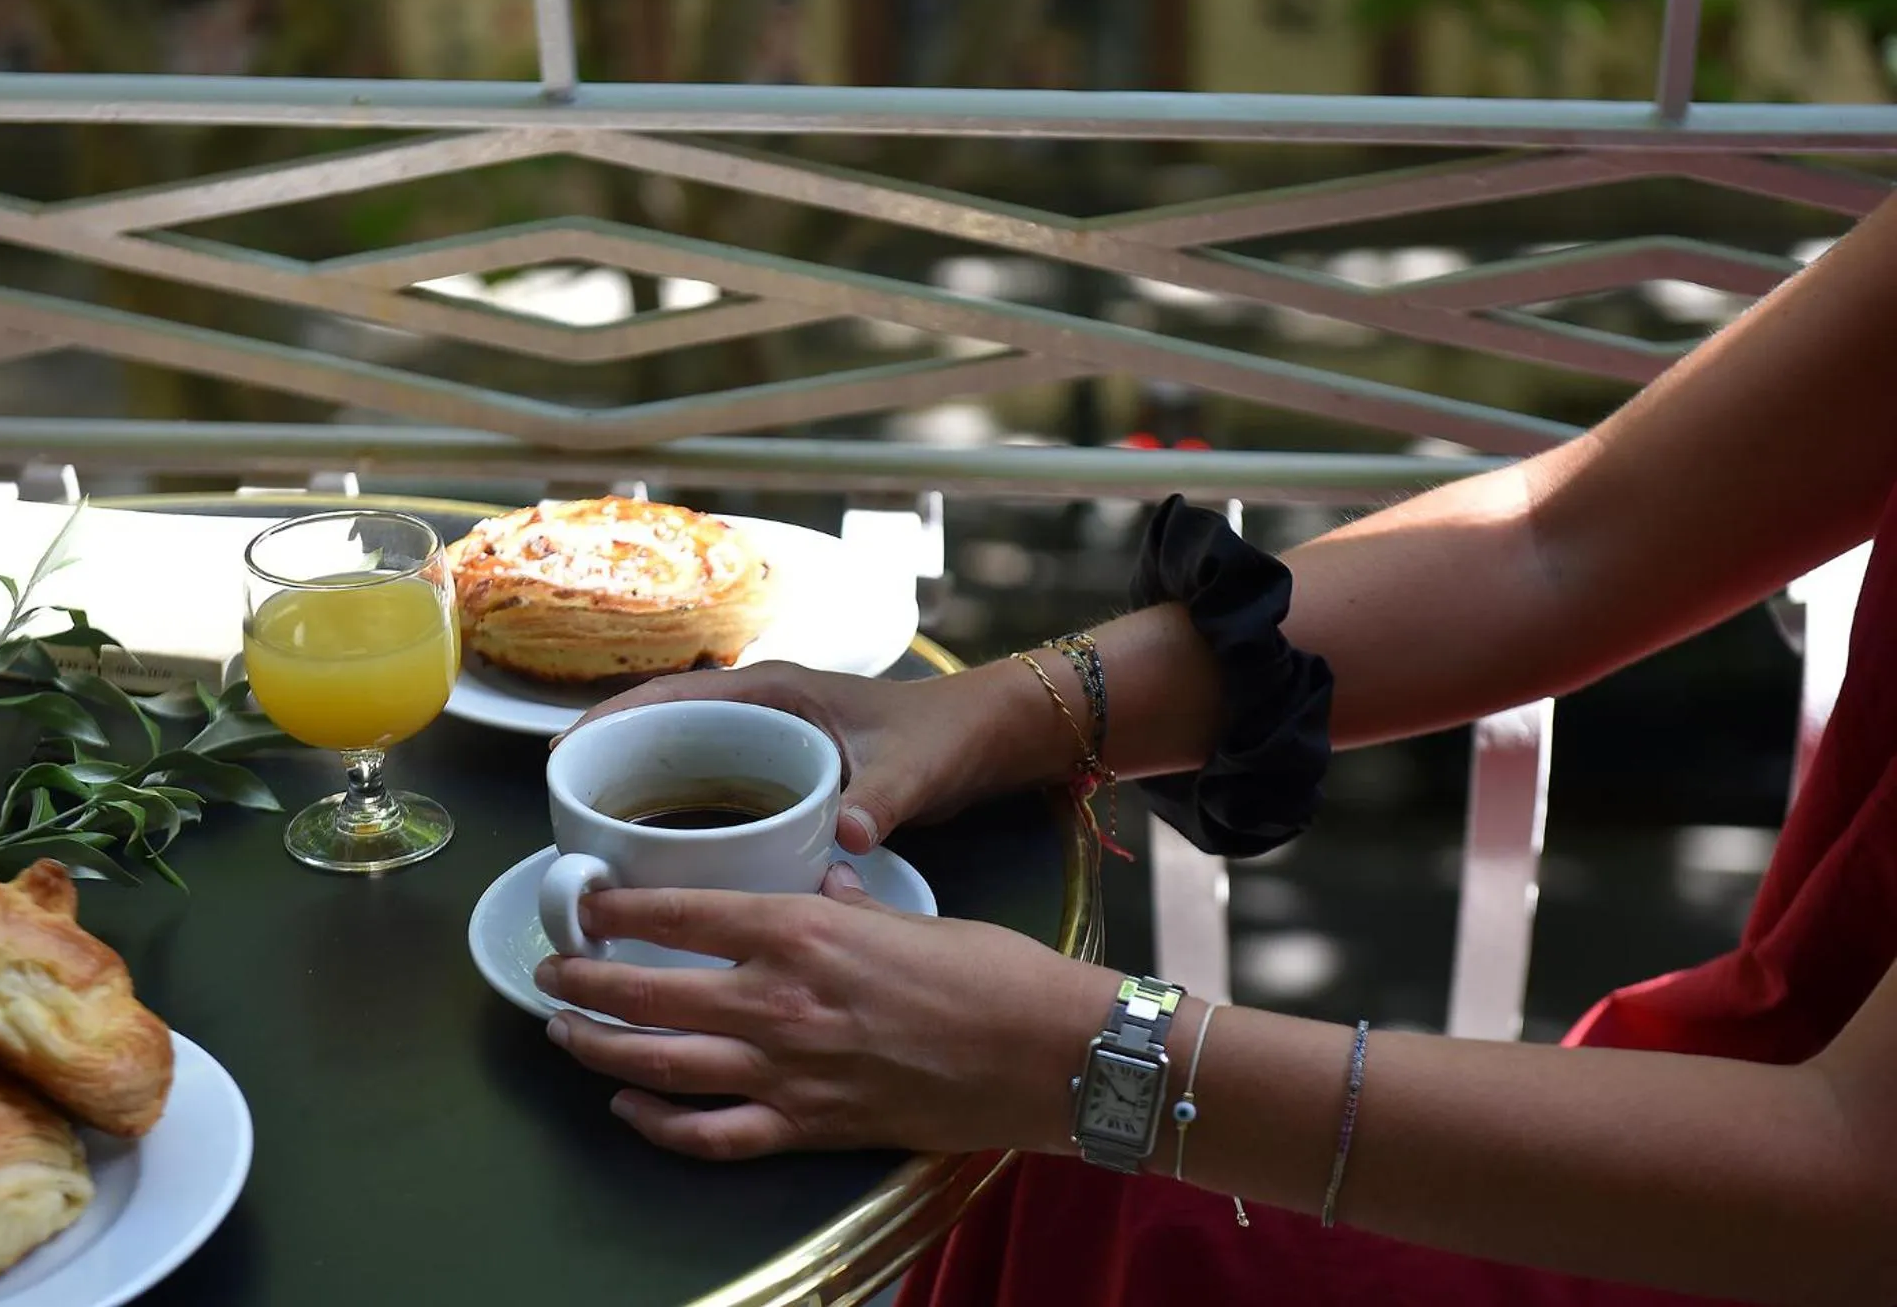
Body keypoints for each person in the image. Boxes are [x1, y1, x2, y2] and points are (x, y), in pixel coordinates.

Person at [535, 192, 1897, 1307]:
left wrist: (1093, 1061)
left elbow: (1856, 1188)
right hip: (1723, 1094)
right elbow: (1562, 540)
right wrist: (1015, 708)